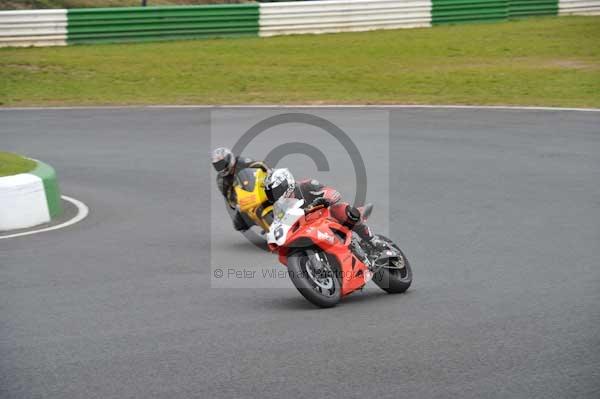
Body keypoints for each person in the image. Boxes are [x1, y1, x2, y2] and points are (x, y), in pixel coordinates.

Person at [264, 168, 386, 262]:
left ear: (287, 183)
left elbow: (333, 193)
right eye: (271, 193)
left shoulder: (306, 185)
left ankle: (372, 240)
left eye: (276, 191)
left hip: (325, 218)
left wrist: (323, 200)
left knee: (342, 209)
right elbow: (280, 223)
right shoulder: (279, 209)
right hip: (307, 231)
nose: (275, 195)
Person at [211, 147, 270, 231]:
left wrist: (268, 171)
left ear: (229, 159)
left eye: (222, 163)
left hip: (258, 187)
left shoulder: (241, 161)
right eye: (217, 166)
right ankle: (263, 224)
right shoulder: (221, 180)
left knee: (275, 187)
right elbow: (229, 198)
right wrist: (236, 203)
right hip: (245, 199)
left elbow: (258, 164)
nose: (220, 167)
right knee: (238, 224)